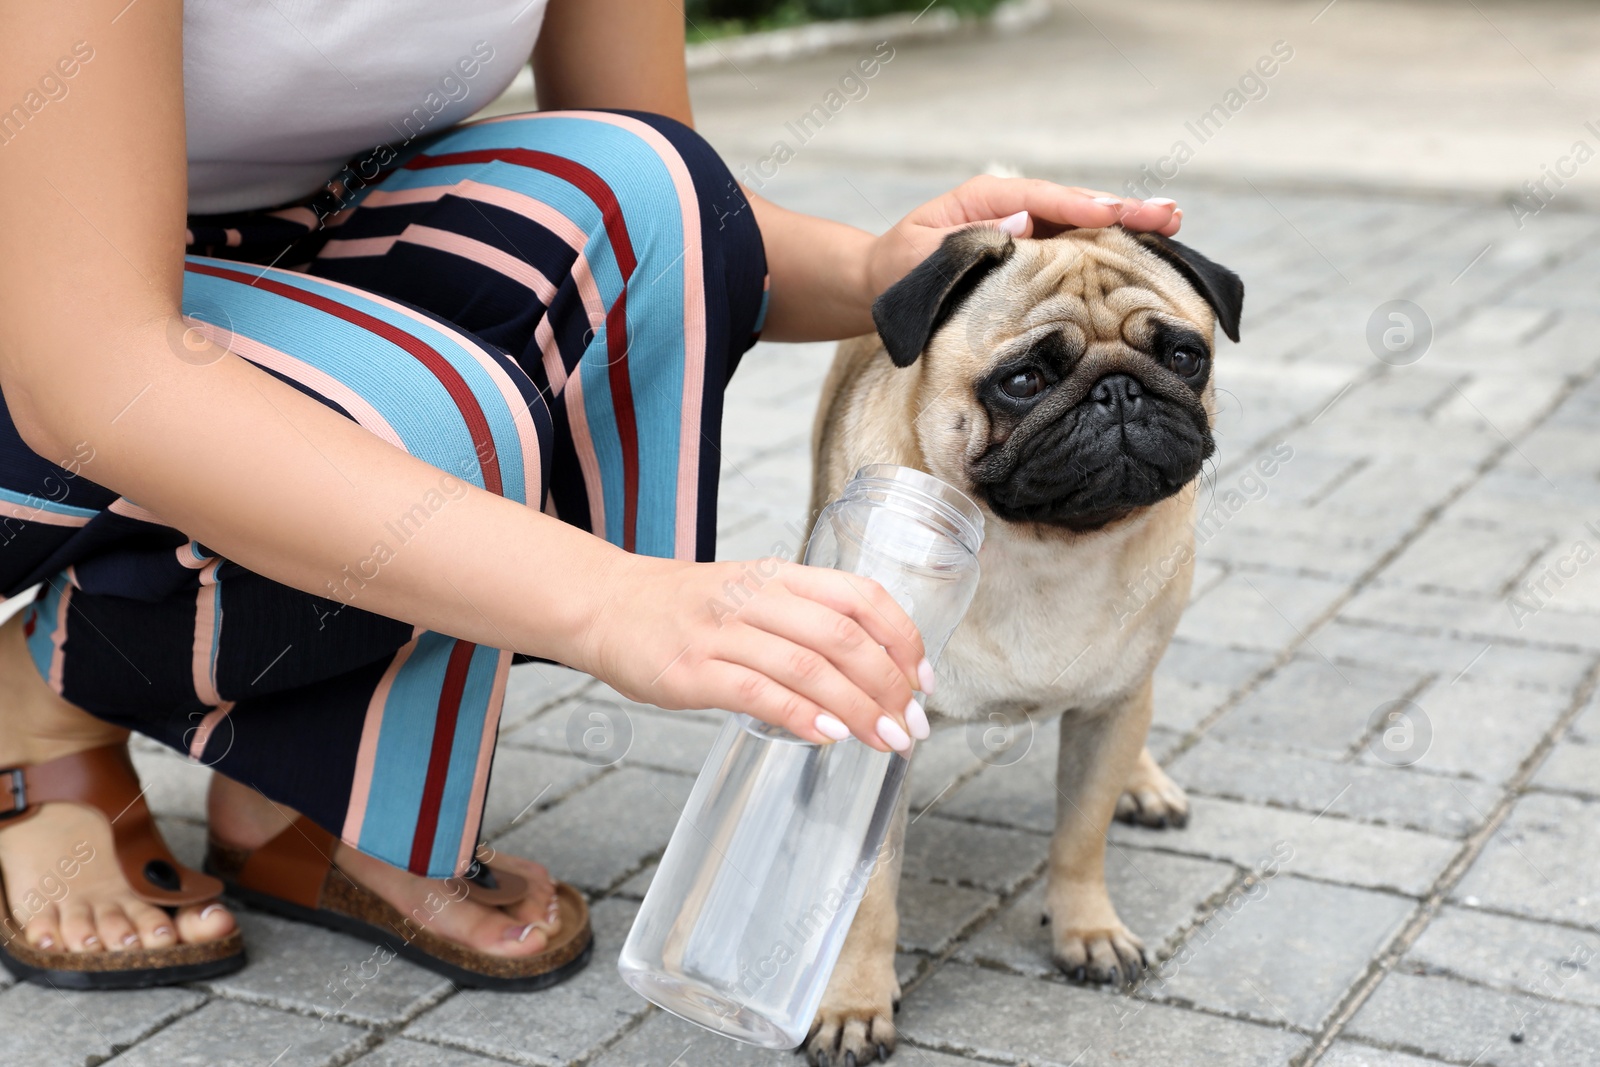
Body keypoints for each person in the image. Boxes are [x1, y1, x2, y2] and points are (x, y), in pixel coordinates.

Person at [0, 0, 1181, 990]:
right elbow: (90, 368)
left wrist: (888, 271)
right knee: (441, 415)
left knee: (648, 189)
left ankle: (308, 772)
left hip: (283, 249)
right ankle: (41, 700)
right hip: (47, 302)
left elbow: (690, 225)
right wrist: (612, 600)